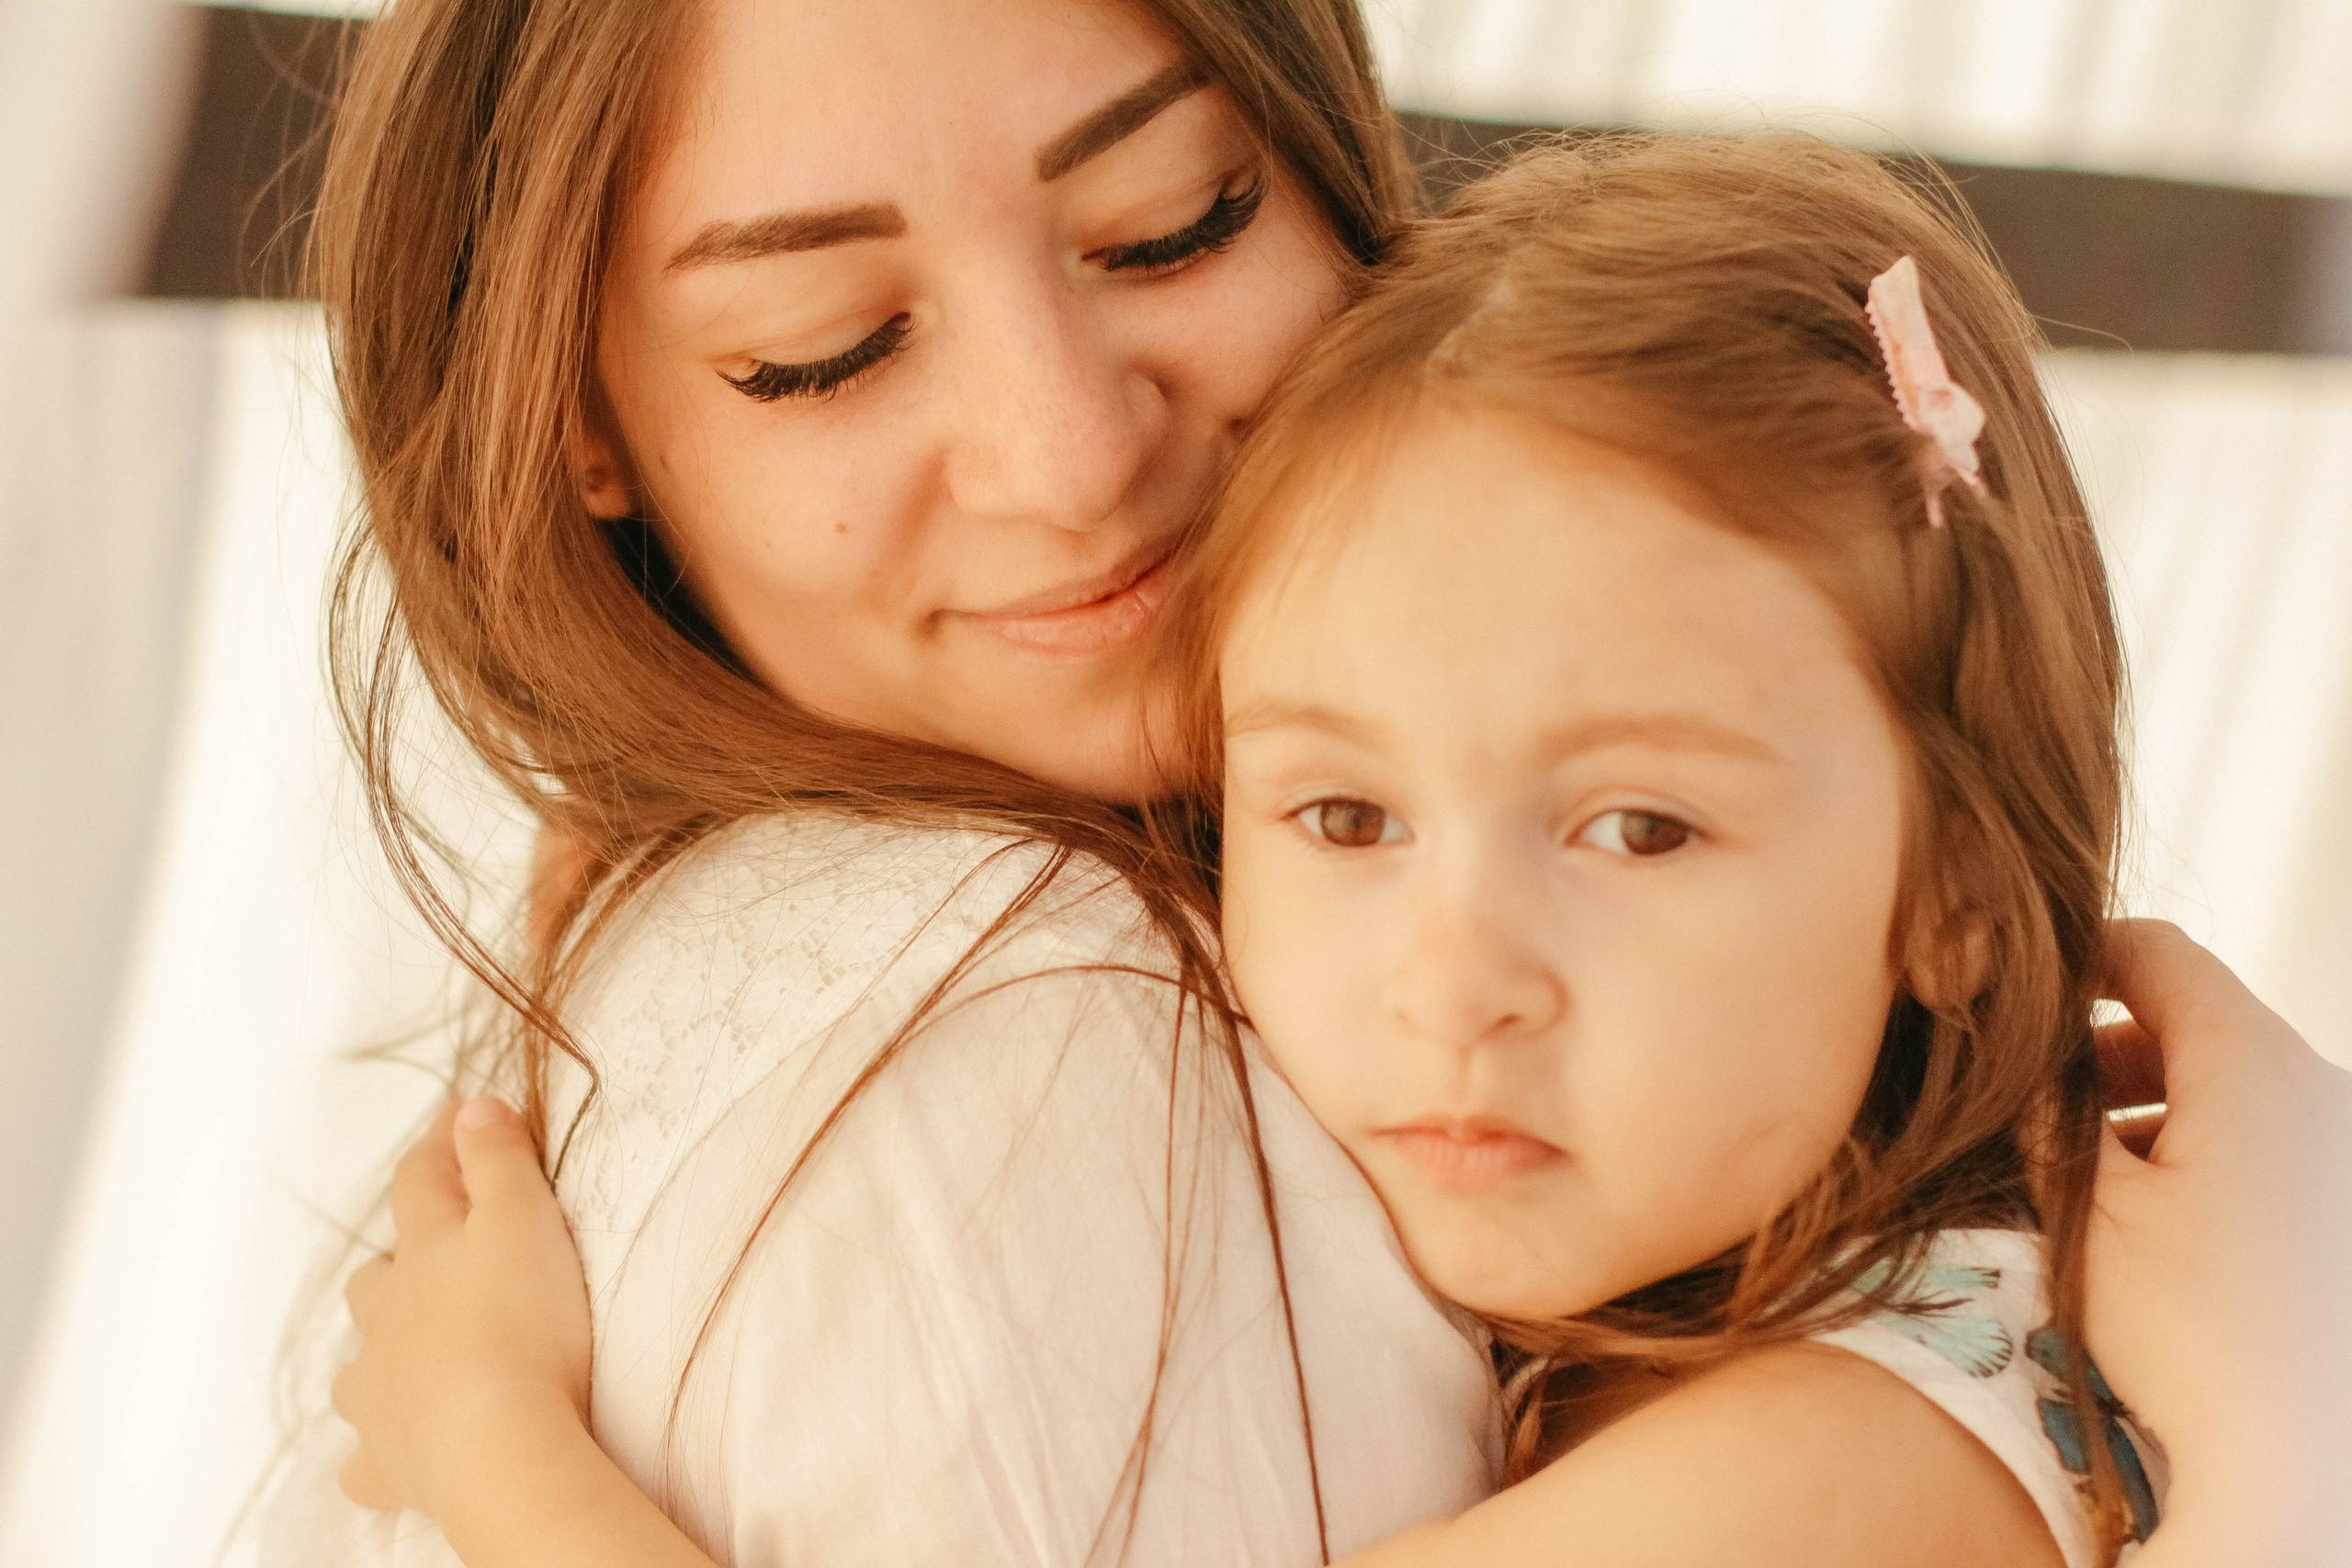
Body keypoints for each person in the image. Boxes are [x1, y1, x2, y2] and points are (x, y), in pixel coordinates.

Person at [278, 2, 2352, 1564]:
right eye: (1338, 816)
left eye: (1172, 225)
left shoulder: (1866, 1442)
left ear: (1960, 893)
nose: (1451, 977)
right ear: (572, 423)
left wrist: (500, 1449)